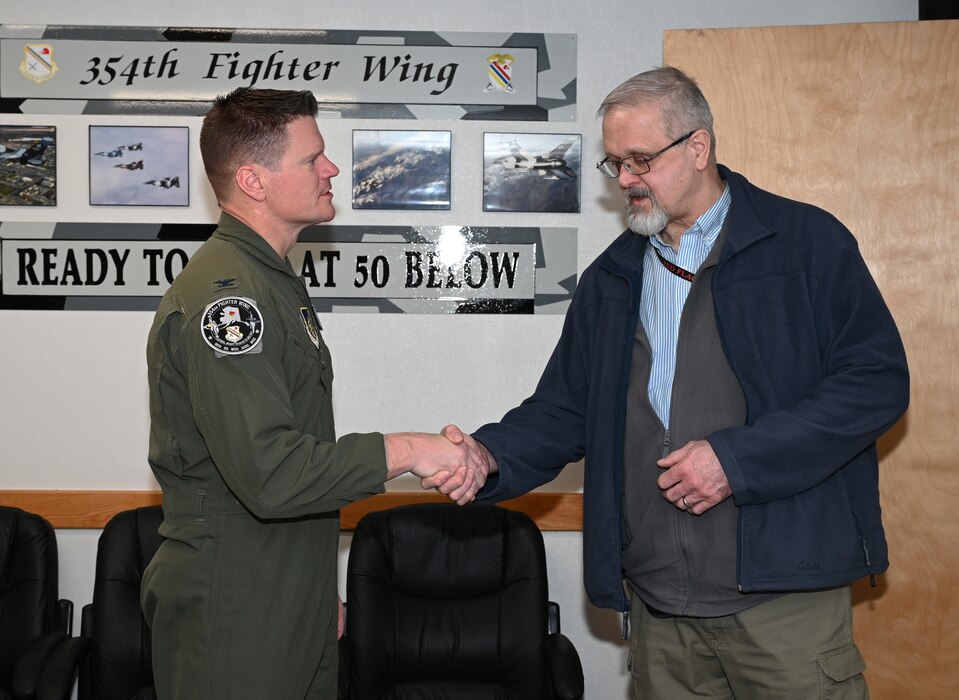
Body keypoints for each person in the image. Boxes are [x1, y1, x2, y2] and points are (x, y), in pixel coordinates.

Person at [437, 66, 909, 698]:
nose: (627, 180)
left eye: (640, 160)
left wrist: (735, 461)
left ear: (698, 147)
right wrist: (488, 456)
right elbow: (565, 410)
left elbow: (875, 381)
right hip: (659, 610)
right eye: (615, 164)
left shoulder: (806, 244)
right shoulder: (612, 279)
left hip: (784, 604)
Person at [141, 87, 472, 699]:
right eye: (312, 158)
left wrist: (318, 591)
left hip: (289, 596)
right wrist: (409, 450)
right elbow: (270, 472)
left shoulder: (273, 282)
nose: (332, 169)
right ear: (254, 181)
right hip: (236, 606)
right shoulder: (228, 298)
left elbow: (294, 458)